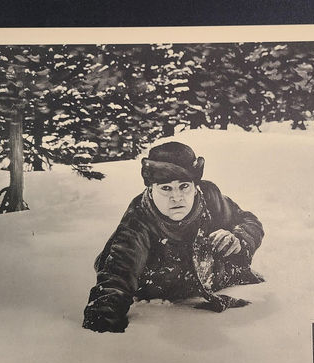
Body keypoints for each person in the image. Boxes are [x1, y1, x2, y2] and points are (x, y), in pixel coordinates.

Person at [82, 141, 264, 333]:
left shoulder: (210, 197)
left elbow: (249, 222)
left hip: (212, 278)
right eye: (166, 188)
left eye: (184, 186)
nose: (176, 197)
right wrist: (101, 326)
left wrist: (238, 239)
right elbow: (117, 278)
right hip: (159, 287)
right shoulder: (138, 220)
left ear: (195, 186)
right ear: (151, 189)